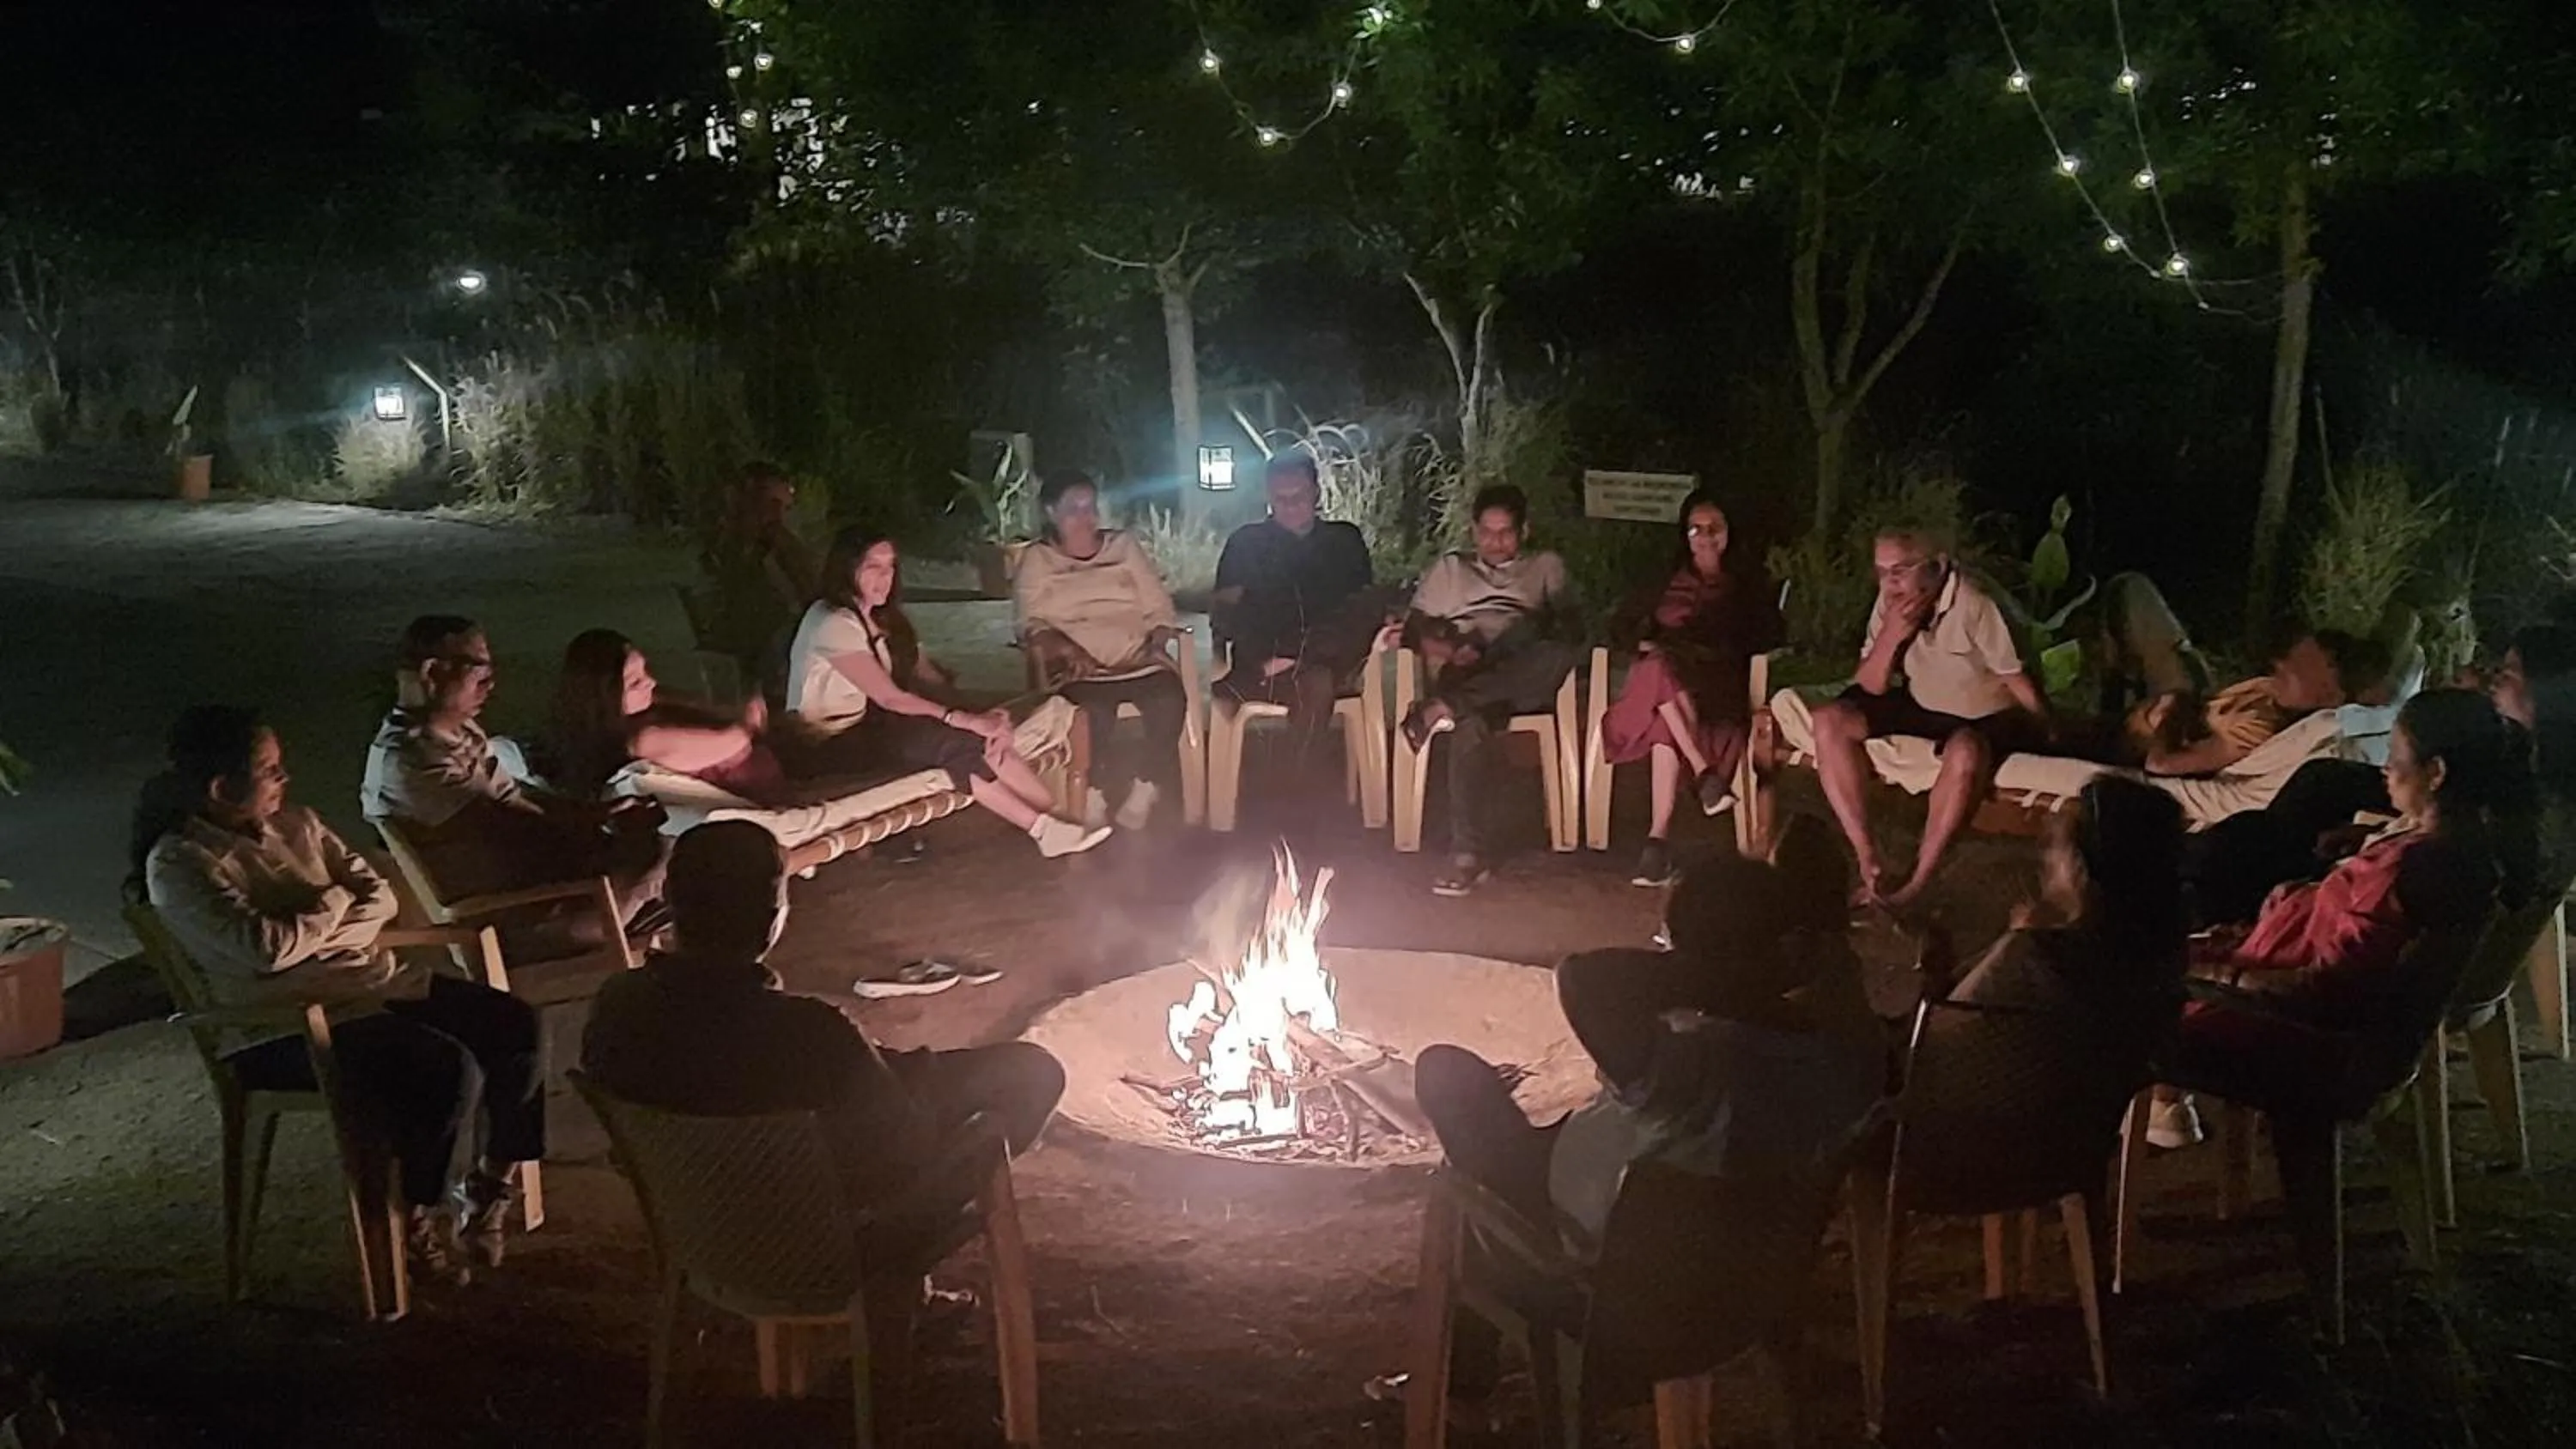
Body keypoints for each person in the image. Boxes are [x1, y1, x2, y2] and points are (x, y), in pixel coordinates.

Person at [580, 821, 1064, 1422]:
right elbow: (901, 1152)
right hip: (833, 1248)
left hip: (699, 1235)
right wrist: (927, 1100)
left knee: (940, 1081)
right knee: (1029, 1074)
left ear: (672, 904)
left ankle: (901, 1301)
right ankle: (899, 1298)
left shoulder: (617, 1008)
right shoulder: (810, 1032)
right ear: (773, 917)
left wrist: (882, 1068)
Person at [1409, 853, 1885, 1406]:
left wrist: (1732, 982)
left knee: (1448, 1085)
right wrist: (1766, 978)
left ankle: (1463, 1383)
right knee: (1512, 1139)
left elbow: (1585, 977)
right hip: (1752, 1282)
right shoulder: (1844, 1059)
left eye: (1670, 946)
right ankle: (1466, 1373)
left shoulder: (1692, 1066)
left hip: (1616, 1287)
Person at [137, 706, 544, 1277]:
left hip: (370, 982)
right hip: (285, 1025)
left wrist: (315, 931)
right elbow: (266, 950)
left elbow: (379, 898)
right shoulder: (180, 864)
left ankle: (488, 1189)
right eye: (269, 770)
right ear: (221, 788)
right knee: (445, 1066)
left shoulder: (299, 826)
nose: (284, 778)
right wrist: (332, 902)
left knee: (514, 1024)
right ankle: (416, 1214)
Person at [2159, 689, 2532, 1143]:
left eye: (2394, 757)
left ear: (2436, 773)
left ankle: (2135, 1129)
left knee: (2111, 1002)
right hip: (2339, 1036)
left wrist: (2209, 973)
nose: (2386, 770)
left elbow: (2327, 993)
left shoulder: (2404, 873)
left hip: (2301, 1041)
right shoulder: (2462, 852)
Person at [784, 524, 1108, 858]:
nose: (885, 577)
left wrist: (984, 718)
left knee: (973, 737)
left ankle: (1060, 821)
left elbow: (931, 679)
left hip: (872, 730)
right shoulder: (832, 621)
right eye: (873, 567)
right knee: (955, 743)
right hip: (828, 743)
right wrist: (964, 720)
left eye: (890, 566)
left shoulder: (885, 620)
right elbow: (889, 697)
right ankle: (1042, 828)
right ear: (846, 569)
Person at [361, 614, 667, 921]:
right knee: (666, 857)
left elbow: (514, 799)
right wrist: (603, 827)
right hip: (525, 912)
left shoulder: (457, 732)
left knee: (667, 857)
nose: (491, 685)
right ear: (433, 671)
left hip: (547, 888)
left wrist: (598, 813)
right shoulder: (408, 758)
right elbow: (509, 830)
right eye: (480, 674)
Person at [1809, 524, 2049, 912]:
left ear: (1937, 566)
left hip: (1983, 714)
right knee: (1829, 721)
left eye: (1900, 570)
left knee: (1967, 752)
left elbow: (2017, 679)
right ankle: (1869, 861)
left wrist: (2048, 730)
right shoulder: (1892, 601)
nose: (1890, 583)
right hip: (1923, 703)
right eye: (1882, 571)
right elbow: (1870, 684)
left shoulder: (1976, 602)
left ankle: (1918, 883)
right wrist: (1891, 635)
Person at [1394, 485, 1583, 896]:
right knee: (1472, 722)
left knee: (1546, 645)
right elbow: (1412, 631)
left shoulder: (1544, 566)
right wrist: (1453, 648)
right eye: (1487, 532)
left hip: (1521, 672)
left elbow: (1572, 627)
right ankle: (1466, 855)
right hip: (1466, 665)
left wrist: (1527, 631)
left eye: (1506, 532)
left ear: (1523, 531)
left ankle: (1442, 707)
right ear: (1474, 530)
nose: (1495, 543)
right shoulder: (1452, 569)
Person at [1953, 778, 2192, 1095]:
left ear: (2082, 870)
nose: (2047, 859)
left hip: (1962, 1109)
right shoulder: (2163, 967)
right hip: (2075, 1125)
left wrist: (2012, 942)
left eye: (2058, 848)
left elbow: (1942, 1028)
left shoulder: (2038, 956)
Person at [1597, 489, 1782, 887]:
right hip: (1648, 693)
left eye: (1715, 528)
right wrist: (1642, 642)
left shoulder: (1746, 585)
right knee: (1656, 665)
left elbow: (1765, 635)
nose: (1705, 536)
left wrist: (1706, 640)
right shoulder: (1665, 579)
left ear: (1730, 533)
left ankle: (1657, 844)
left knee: (1666, 719)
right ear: (1684, 534)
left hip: (1707, 693)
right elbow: (1619, 626)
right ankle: (1703, 773)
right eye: (1696, 528)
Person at [1014, 470, 1188, 831]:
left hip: (1136, 658)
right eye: (1074, 509)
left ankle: (1146, 786)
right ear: (1051, 512)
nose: (1086, 517)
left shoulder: (1123, 547)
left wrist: (1156, 645)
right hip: (1079, 667)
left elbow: (1160, 609)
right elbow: (1029, 624)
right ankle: (1092, 791)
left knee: (1169, 697)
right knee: (1092, 710)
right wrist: (1064, 649)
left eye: (1090, 507)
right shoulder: (1038, 559)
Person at [1210, 451, 1380, 770]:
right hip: (1268, 658)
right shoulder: (1247, 543)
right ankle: (1301, 782)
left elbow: (1363, 606)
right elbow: (1225, 612)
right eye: (1280, 499)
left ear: (1315, 492)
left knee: (1323, 668)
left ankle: (1296, 780)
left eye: (1298, 497)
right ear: (1268, 497)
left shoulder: (1343, 541)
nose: (1289, 506)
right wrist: (1254, 650)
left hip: (1330, 656)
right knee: (1316, 681)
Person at [549, 627, 788, 806]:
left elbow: (710, 708)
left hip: (774, 772)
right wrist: (752, 715)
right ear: (606, 696)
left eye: (645, 670)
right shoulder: (644, 740)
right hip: (769, 798)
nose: (651, 682)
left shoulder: (647, 707)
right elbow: (736, 738)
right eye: (635, 682)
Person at [698, 461, 818, 689]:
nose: (780, 513)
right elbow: (809, 590)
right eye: (774, 504)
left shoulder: (733, 539)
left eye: (785, 507)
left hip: (744, 638)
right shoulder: (761, 542)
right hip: (758, 644)